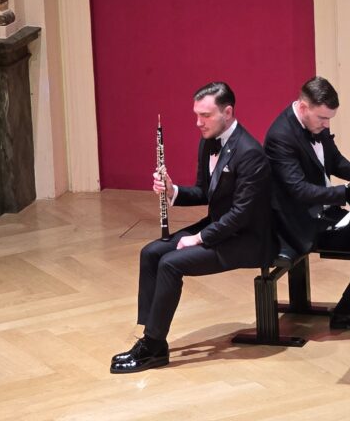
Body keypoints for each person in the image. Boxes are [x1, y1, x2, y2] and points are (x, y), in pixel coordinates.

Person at [111, 81, 271, 373]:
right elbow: (204, 192)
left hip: (248, 239)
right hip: (221, 228)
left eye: (205, 115)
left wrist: (198, 238)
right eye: (196, 115)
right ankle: (151, 336)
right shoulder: (208, 141)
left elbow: (241, 215)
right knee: (151, 253)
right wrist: (172, 190)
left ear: (228, 112)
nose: (198, 122)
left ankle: (153, 346)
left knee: (171, 263)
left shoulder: (250, 153)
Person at [265, 76, 350, 343]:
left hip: (321, 210)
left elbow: (335, 161)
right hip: (295, 222)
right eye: (323, 118)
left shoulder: (315, 123)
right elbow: (300, 192)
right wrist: (349, 193)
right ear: (303, 107)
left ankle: (349, 310)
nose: (326, 125)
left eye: (329, 119)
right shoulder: (280, 137)